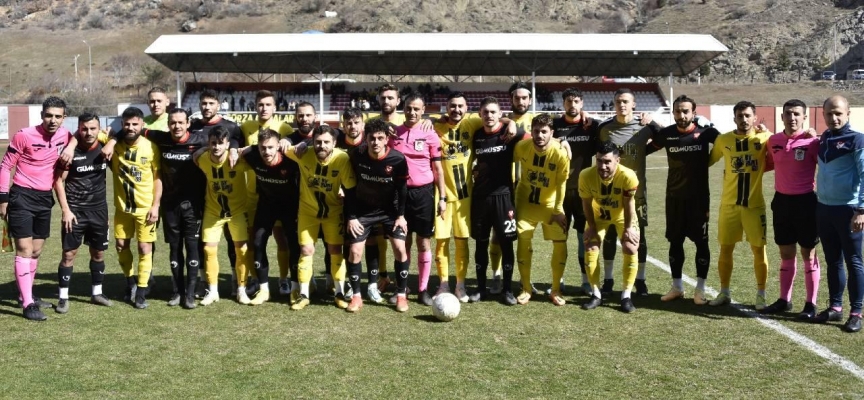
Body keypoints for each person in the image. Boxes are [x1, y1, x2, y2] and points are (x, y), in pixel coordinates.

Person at [0, 96, 71, 320]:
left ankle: (26, 294)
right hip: (21, 196)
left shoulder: (65, 135)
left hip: (44, 199)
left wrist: (72, 146)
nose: (53, 120)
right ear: (42, 116)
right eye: (49, 115)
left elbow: (77, 137)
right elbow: (5, 166)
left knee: (37, 250)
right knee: (24, 249)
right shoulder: (24, 135)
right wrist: (3, 199)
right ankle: (28, 304)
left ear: (63, 118)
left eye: (57, 116)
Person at [648, 95, 719, 305]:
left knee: (701, 243)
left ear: (694, 113)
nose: (682, 115)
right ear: (673, 113)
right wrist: (648, 125)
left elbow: (728, 143)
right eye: (678, 111)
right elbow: (644, 150)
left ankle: (700, 290)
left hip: (699, 200)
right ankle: (677, 287)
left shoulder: (706, 133)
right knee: (675, 242)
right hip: (674, 199)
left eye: (686, 111)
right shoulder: (667, 134)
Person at [707, 101, 772, 310]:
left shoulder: (764, 139)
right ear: (734, 118)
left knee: (759, 250)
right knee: (725, 249)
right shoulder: (723, 140)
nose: (743, 120)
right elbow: (707, 161)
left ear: (754, 117)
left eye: (747, 116)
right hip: (729, 206)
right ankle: (724, 292)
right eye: (739, 116)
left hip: (754, 206)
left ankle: (761, 294)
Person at [284, 125, 356, 310]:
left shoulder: (342, 158)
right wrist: (287, 142)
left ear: (334, 143)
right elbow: (278, 146)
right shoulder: (303, 153)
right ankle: (304, 294)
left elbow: (350, 188)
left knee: (335, 250)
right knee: (306, 251)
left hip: (333, 212)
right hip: (308, 213)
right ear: (312, 142)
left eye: (326, 142)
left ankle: (338, 292)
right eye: (317, 142)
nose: (321, 146)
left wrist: (351, 214)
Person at [761, 99, 821, 318]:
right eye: (788, 114)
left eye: (797, 114)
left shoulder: (812, 142)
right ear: (782, 117)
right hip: (782, 202)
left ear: (804, 117)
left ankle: (810, 304)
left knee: (808, 252)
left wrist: (816, 137)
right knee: (786, 253)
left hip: (806, 202)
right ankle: (784, 300)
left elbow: (825, 165)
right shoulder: (773, 140)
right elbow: (767, 163)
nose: (792, 118)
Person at [598, 88, 661, 297]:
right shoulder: (604, 128)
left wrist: (652, 122)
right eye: (618, 101)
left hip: (637, 194)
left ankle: (640, 281)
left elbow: (666, 137)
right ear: (614, 104)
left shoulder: (644, 128)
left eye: (625, 101)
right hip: (609, 194)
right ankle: (608, 279)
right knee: (609, 236)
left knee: (639, 238)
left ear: (634, 105)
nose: (621, 105)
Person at [343, 119, 411, 312]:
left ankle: (400, 295)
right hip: (363, 211)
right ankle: (356, 297)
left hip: (390, 212)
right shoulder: (357, 155)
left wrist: (401, 216)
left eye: (380, 138)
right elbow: (349, 187)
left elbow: (402, 189)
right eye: (372, 138)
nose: (375, 142)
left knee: (400, 248)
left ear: (387, 139)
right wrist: (352, 216)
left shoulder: (397, 159)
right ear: (366, 138)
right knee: (355, 251)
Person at [146, 108, 209, 309]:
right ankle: (177, 290)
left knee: (192, 247)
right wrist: (112, 140)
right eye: (173, 122)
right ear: (168, 124)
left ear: (188, 123)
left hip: (194, 206)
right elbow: (134, 129)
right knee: (174, 248)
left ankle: (190, 293)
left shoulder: (201, 140)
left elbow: (229, 140)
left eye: (181, 122)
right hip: (170, 205)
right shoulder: (162, 139)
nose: (177, 126)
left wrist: (231, 149)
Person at [387, 92, 446, 306]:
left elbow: (438, 168)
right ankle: (402, 289)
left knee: (423, 242)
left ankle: (422, 290)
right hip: (399, 194)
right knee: (402, 243)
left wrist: (443, 198)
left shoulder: (430, 134)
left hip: (424, 194)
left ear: (423, 111)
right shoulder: (393, 133)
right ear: (404, 108)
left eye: (417, 109)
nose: (412, 112)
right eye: (409, 108)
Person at [52, 112, 113, 314]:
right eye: (84, 128)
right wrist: (66, 210)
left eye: (93, 128)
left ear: (99, 129)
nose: (88, 132)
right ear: (78, 129)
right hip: (75, 212)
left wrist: (112, 141)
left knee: (98, 252)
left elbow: (122, 134)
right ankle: (63, 297)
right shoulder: (70, 152)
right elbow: (58, 181)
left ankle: (97, 293)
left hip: (99, 211)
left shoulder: (105, 148)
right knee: (69, 254)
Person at [813, 95, 864, 333]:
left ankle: (856, 312)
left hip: (848, 210)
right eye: (829, 114)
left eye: (838, 113)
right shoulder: (824, 138)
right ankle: (835, 307)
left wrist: (861, 210)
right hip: (824, 208)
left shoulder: (857, 140)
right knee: (833, 261)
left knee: (853, 261)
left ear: (847, 113)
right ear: (823, 114)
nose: (834, 118)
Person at [239, 90, 295, 297]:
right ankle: (256, 279)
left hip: (278, 193)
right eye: (260, 104)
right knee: (255, 238)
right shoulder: (245, 127)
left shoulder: (284, 127)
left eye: (268, 104)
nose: (264, 108)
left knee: (282, 238)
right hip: (253, 194)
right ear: (254, 106)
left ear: (275, 107)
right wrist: (239, 149)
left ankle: (283, 279)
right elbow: (235, 144)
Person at [514, 114, 570, 305]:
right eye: (536, 131)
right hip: (525, 204)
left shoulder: (560, 154)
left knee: (560, 243)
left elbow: (562, 184)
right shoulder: (522, 147)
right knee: (523, 242)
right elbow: (509, 166)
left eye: (544, 131)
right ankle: (526, 288)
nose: (539, 135)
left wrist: (558, 209)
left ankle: (555, 290)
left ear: (551, 133)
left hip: (550, 207)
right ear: (531, 131)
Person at [194, 125, 252, 306]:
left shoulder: (238, 159)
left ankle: (241, 289)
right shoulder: (203, 158)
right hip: (213, 212)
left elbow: (256, 151)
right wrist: (202, 150)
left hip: (237, 212)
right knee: (209, 250)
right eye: (213, 143)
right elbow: (195, 157)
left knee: (241, 250)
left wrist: (238, 149)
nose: (217, 147)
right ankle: (213, 291)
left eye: (221, 143)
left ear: (227, 144)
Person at [579, 141, 640, 313]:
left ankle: (626, 295)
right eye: (599, 161)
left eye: (607, 162)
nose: (603, 166)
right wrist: (591, 227)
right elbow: (586, 203)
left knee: (630, 246)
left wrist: (628, 228)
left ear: (617, 161)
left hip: (623, 216)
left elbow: (628, 205)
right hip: (599, 215)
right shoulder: (586, 175)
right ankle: (596, 294)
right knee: (590, 246)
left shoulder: (628, 176)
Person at [111, 107, 163, 309]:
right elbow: (86, 132)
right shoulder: (114, 144)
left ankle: (141, 290)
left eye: (135, 124)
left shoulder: (151, 147)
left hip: (145, 209)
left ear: (142, 124)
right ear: (122, 125)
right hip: (122, 209)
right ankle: (130, 282)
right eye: (127, 124)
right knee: (121, 245)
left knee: (144, 247)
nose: (131, 128)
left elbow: (158, 179)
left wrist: (156, 205)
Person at [470, 97, 520, 305]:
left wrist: (561, 141)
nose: (489, 116)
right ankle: (481, 289)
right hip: (480, 198)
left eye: (493, 112)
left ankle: (507, 290)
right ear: (480, 114)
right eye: (485, 112)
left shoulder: (509, 133)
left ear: (500, 114)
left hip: (503, 197)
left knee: (506, 244)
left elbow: (538, 137)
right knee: (481, 244)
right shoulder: (476, 135)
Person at [552, 88, 599, 295]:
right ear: (563, 103)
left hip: (584, 193)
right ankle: (558, 280)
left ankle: (585, 281)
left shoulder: (592, 126)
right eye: (569, 101)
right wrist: (559, 140)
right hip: (559, 192)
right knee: (559, 238)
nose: (573, 105)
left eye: (577, 101)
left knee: (584, 238)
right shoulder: (554, 125)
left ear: (582, 103)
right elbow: (536, 136)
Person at [335, 107, 385, 303]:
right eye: (348, 123)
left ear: (362, 124)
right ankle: (351, 282)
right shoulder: (337, 141)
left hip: (370, 201)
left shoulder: (370, 141)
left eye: (356, 122)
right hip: (346, 202)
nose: (352, 126)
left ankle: (372, 284)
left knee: (372, 241)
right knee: (349, 243)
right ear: (343, 125)